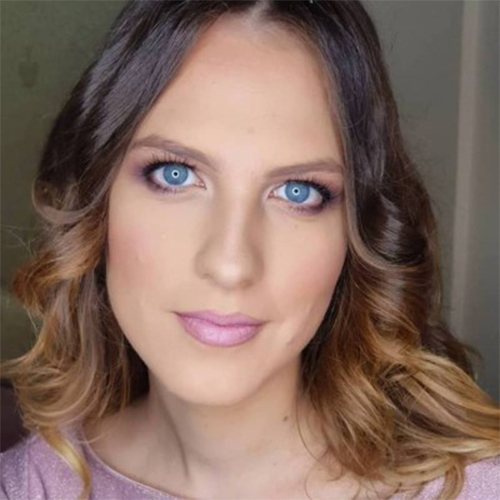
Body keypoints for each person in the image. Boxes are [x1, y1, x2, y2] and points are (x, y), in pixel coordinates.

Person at [1, 1, 499, 499]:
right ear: (96, 201)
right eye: (176, 174)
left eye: (298, 192)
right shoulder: (30, 487)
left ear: (356, 234)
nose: (230, 264)